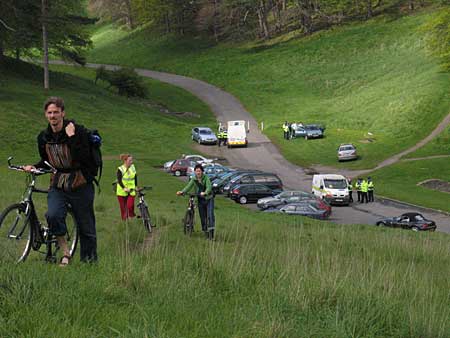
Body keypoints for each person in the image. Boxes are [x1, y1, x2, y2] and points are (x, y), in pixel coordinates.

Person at [23, 97, 97, 266]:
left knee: (86, 227)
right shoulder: (43, 137)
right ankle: (65, 252)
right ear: (45, 115)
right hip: (58, 184)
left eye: (56, 112)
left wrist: (71, 137)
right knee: (53, 215)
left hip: (80, 184)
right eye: (49, 112)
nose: (53, 116)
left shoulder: (77, 131)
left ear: (63, 113)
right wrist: (33, 167)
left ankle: (89, 263)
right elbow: (46, 161)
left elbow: (83, 158)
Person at [177, 164, 215, 240]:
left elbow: (209, 187)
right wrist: (182, 192)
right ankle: (205, 232)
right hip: (200, 199)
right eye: (196, 171)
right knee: (202, 217)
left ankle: (211, 235)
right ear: (194, 172)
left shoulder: (206, 178)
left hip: (208, 199)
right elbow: (189, 186)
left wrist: (205, 192)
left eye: (199, 171)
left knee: (210, 215)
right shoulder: (194, 179)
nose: (198, 173)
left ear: (202, 172)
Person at [116, 154, 138, 220]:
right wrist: (124, 188)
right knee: (123, 209)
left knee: (130, 205)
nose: (132, 161)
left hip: (131, 190)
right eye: (130, 160)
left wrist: (136, 186)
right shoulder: (120, 169)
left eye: (132, 160)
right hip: (122, 191)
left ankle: (131, 215)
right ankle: (125, 223)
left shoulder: (133, 167)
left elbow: (135, 177)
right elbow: (119, 180)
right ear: (125, 161)